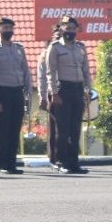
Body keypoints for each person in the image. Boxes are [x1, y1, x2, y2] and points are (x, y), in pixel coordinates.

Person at [45, 15, 91, 174]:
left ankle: (74, 162)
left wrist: (87, 90)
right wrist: (54, 93)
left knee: (75, 129)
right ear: (61, 29)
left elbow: (86, 70)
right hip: (62, 90)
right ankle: (61, 161)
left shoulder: (80, 47)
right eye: (66, 28)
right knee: (62, 130)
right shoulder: (55, 47)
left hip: (77, 89)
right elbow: (51, 72)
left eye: (72, 28)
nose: (70, 31)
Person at [0, 17, 31, 174]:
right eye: (5, 27)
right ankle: (2, 164)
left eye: (10, 28)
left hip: (17, 92)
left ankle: (12, 163)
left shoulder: (19, 49)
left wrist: (27, 93)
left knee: (15, 129)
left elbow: (26, 73)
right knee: (3, 130)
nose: (8, 31)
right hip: (2, 92)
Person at [36, 24, 60, 167]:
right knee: (54, 128)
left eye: (60, 33)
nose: (58, 35)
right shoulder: (46, 54)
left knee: (66, 129)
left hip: (65, 92)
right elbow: (42, 78)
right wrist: (43, 97)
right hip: (52, 94)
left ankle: (65, 157)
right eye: (56, 33)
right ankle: (54, 158)